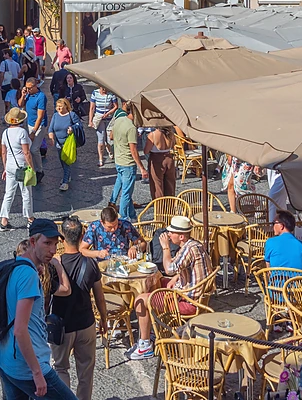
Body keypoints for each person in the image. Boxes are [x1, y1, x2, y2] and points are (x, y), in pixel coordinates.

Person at [0, 219, 79, 400]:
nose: (53, 250)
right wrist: (37, 373)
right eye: (47, 243)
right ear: (33, 242)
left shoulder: (17, 265)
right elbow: (20, 329)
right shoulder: (29, 276)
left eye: (56, 244)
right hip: (26, 366)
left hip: (5, 357)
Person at [129, 216, 211, 360]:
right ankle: (152, 328)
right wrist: (176, 278)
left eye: (171, 232)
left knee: (141, 300)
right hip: (190, 292)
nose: (168, 235)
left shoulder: (188, 249)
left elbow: (169, 268)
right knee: (153, 282)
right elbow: (183, 267)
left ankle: (145, 345)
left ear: (180, 236)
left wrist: (165, 247)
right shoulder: (194, 245)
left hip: (188, 301)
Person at [52, 217, 106, 400]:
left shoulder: (55, 264)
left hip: (62, 325)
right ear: (82, 235)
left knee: (60, 368)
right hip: (86, 324)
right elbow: (99, 297)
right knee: (86, 372)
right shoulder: (91, 264)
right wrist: (104, 319)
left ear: (61, 238)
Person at [0, 108, 38, 233]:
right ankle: (30, 218)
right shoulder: (22, 132)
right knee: (26, 193)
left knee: (8, 193)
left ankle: (4, 220)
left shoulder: (5, 133)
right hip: (21, 166)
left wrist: (5, 168)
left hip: (10, 165)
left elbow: (3, 152)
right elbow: (26, 152)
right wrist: (31, 167)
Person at [110, 97, 146, 223]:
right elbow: (134, 150)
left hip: (118, 161)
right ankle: (123, 219)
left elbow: (111, 136)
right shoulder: (131, 128)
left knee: (125, 188)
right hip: (128, 164)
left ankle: (132, 214)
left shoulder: (119, 120)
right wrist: (142, 167)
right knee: (126, 193)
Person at [79, 205, 144, 260]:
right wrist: (98, 253)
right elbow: (82, 249)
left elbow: (143, 243)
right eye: (109, 227)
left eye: (115, 225)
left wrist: (135, 247)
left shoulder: (125, 225)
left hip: (123, 261)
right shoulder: (94, 227)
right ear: (102, 222)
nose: (113, 229)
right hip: (103, 263)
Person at [48, 98, 81, 193]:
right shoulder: (55, 116)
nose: (58, 108)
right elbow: (51, 129)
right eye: (57, 106)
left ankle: (65, 182)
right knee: (62, 161)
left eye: (60, 106)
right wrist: (51, 137)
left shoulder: (72, 115)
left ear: (66, 106)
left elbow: (78, 125)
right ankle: (67, 175)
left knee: (66, 162)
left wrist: (72, 128)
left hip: (68, 143)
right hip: (59, 143)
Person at [87, 86, 116, 169]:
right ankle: (100, 159)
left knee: (109, 139)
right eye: (102, 88)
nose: (104, 89)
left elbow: (115, 106)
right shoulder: (95, 93)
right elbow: (92, 108)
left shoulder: (111, 94)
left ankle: (110, 151)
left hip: (109, 118)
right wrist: (90, 120)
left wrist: (107, 113)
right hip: (99, 119)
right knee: (101, 139)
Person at [22, 77, 49, 163]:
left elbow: (40, 116)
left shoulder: (41, 97)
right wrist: (23, 95)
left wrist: (33, 132)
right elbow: (20, 104)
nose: (28, 90)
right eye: (26, 87)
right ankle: (32, 167)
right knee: (29, 148)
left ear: (35, 86)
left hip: (39, 125)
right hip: (29, 123)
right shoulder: (28, 94)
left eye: (29, 88)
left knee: (34, 149)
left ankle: (39, 170)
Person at [144, 125, 175, 200]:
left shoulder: (153, 134)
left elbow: (146, 151)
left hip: (156, 159)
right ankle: (170, 206)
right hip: (169, 158)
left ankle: (159, 207)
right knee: (170, 184)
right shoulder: (171, 134)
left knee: (157, 185)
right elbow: (173, 145)